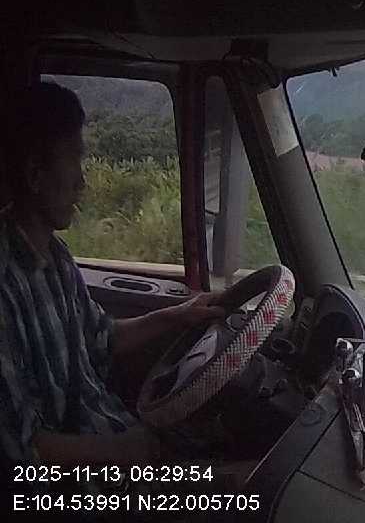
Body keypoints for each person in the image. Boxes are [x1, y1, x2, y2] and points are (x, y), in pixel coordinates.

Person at [0, 81, 226, 468]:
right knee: (239, 484)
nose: (82, 181)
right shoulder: (6, 285)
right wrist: (127, 452)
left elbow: (100, 338)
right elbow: (20, 451)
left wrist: (177, 315)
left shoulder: (56, 257)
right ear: (35, 174)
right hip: (73, 484)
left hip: (110, 430)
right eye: (74, 159)